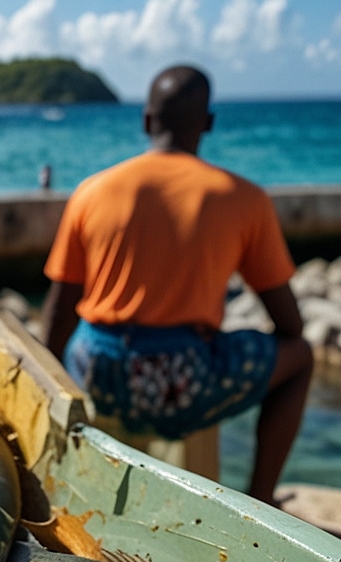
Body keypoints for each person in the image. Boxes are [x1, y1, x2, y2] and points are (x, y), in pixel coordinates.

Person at [40, 64, 312, 506]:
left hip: (96, 369)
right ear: (207, 124)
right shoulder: (242, 198)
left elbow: (59, 312)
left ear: (147, 121)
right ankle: (262, 501)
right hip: (177, 382)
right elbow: (290, 325)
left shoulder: (91, 191)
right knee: (301, 357)